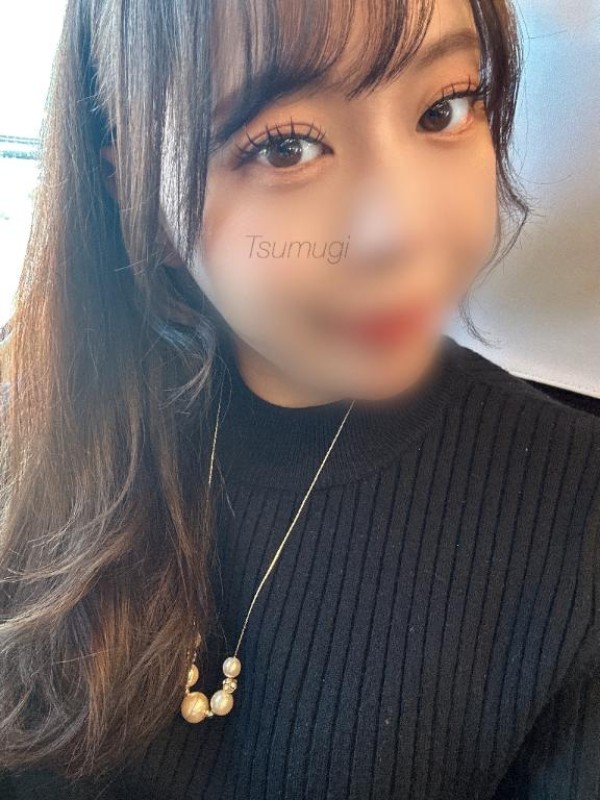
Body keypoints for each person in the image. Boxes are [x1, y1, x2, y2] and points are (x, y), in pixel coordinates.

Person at [1, 0, 599, 797]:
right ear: (134, 189)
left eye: (444, 108)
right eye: (285, 147)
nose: (402, 231)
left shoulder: (575, 515)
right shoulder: (29, 450)